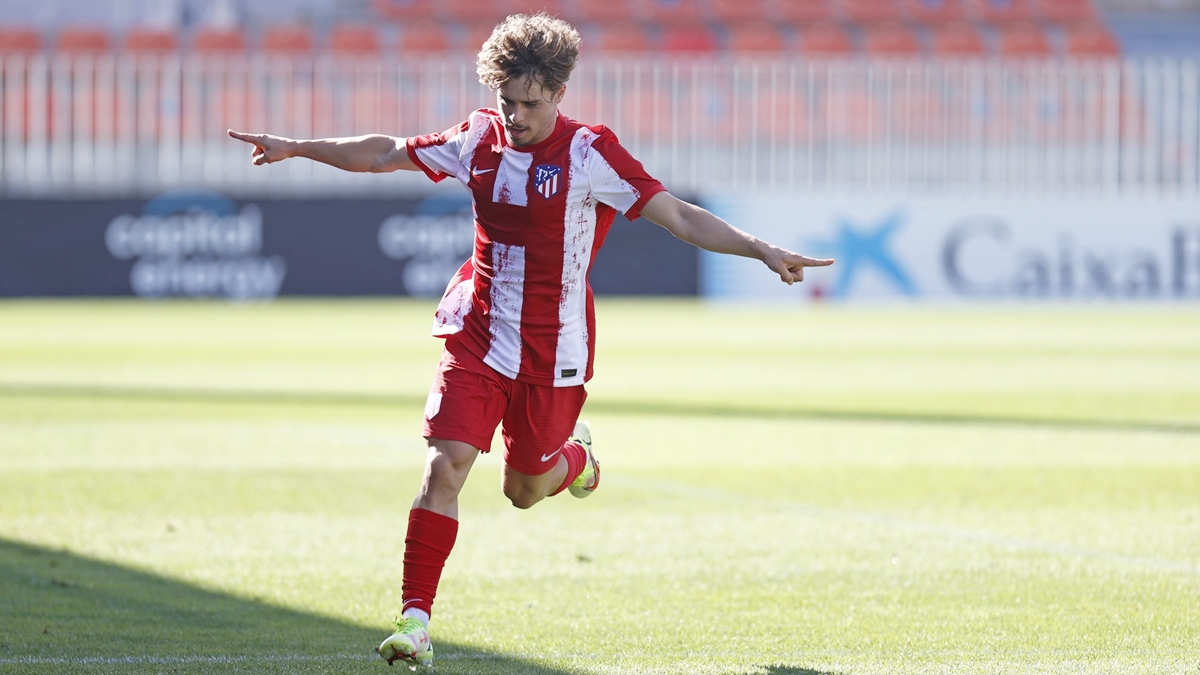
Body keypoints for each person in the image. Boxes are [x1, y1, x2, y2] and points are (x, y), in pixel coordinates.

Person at [229, 12, 833, 668]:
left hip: (554, 353)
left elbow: (678, 214)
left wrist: (757, 247)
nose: (515, 115)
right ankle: (415, 621)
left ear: (559, 94)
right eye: (506, 100)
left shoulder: (589, 153)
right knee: (445, 464)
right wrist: (297, 146)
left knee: (524, 490)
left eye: (530, 103)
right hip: (478, 333)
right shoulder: (478, 138)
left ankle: (577, 461)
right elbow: (384, 152)